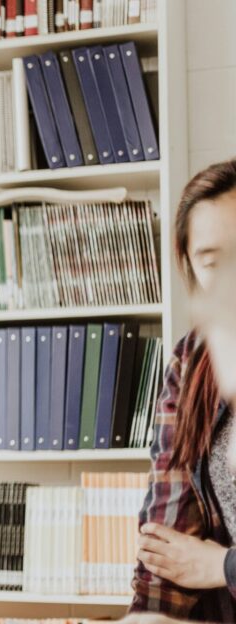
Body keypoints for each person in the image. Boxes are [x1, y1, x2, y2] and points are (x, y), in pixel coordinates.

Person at [131, 159, 236, 620]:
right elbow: (167, 542)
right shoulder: (193, 361)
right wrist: (148, 616)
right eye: (213, 262)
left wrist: (222, 565)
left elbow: (203, 562)